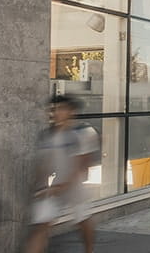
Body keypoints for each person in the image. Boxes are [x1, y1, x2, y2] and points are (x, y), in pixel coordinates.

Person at [26, 95, 100, 253]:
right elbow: (44, 165)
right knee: (41, 225)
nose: (55, 113)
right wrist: (40, 186)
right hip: (52, 188)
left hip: (75, 187)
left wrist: (63, 187)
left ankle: (89, 250)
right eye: (53, 109)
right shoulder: (47, 136)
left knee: (83, 220)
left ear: (71, 111)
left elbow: (82, 166)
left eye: (61, 109)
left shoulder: (83, 133)